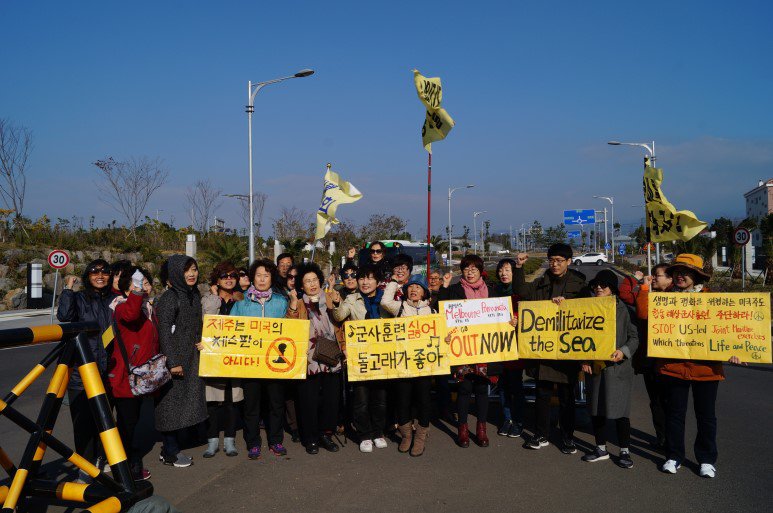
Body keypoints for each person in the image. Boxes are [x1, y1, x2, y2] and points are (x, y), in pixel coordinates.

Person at [645, 254, 744, 478]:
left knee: (706, 416)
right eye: (677, 271)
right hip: (673, 366)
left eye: (686, 272)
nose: (680, 276)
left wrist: (736, 352)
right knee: (674, 414)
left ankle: (706, 459)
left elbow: (729, 330)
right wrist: (645, 290)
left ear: (697, 276)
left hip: (706, 369)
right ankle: (674, 455)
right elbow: (646, 320)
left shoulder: (713, 300)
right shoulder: (663, 299)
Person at [513, 243, 589, 454]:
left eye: (559, 261)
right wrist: (519, 267)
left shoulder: (580, 284)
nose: (554, 264)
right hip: (544, 351)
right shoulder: (540, 283)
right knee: (542, 396)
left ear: (568, 262)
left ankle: (567, 437)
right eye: (552, 260)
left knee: (567, 398)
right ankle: (541, 434)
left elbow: (590, 310)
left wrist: (569, 303)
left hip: (567, 352)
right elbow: (520, 291)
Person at [57, 259, 117, 477]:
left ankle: (102, 458)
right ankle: (85, 467)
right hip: (82, 370)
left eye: (104, 272)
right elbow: (64, 316)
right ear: (87, 276)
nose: (100, 276)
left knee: (104, 419)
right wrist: (67, 289)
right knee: (82, 423)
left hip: (108, 369)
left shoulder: (115, 299)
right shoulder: (79, 297)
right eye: (94, 272)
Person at [439, 254, 503, 448]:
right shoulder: (455, 290)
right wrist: (444, 286)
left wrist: (509, 322)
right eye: (466, 269)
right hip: (463, 348)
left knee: (483, 388)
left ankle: (481, 428)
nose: (470, 272)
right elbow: (441, 308)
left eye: (474, 268)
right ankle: (463, 428)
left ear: (480, 270)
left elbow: (501, 314)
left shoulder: (492, 290)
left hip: (486, 348)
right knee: (465, 388)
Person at [580, 270, 639, 468]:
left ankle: (624, 451)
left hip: (618, 368)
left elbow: (634, 338)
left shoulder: (625, 310)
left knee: (620, 411)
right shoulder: (587, 308)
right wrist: (584, 359)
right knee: (596, 409)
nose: (598, 288)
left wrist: (624, 351)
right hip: (595, 368)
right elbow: (578, 336)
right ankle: (600, 448)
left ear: (612, 288)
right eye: (596, 284)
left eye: (603, 285)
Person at [231, 258, 289, 459]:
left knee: (276, 404)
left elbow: (290, 332)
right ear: (252, 277)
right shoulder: (241, 302)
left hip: (276, 364)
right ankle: (253, 442)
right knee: (251, 406)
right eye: (258, 275)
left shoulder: (282, 302)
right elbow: (229, 329)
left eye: (266, 275)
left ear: (272, 278)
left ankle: (275, 440)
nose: (262, 279)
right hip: (251, 363)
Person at [154, 255, 207, 468]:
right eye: (186, 270)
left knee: (184, 401)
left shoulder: (193, 294)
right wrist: (172, 362)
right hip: (176, 360)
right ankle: (170, 452)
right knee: (169, 405)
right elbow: (163, 332)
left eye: (194, 268)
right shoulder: (170, 297)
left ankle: (174, 446)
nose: (192, 273)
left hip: (191, 357)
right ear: (175, 273)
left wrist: (203, 340)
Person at [286, 263, 343, 454]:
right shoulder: (298, 303)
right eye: (307, 281)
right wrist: (293, 306)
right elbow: (290, 329)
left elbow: (341, 320)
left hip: (331, 355)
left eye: (314, 280)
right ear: (301, 285)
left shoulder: (330, 297)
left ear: (320, 280)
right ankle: (310, 438)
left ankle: (325, 434)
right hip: (308, 358)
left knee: (330, 399)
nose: (312, 284)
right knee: (308, 400)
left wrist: (336, 302)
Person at [330, 264, 387, 453]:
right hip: (360, 355)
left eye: (370, 278)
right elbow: (338, 316)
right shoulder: (352, 299)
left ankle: (378, 432)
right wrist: (338, 302)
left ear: (378, 282)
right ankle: (364, 434)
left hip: (383, 355)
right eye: (362, 278)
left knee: (380, 398)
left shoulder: (386, 300)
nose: (365, 282)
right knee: (361, 398)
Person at [108, 267, 157, 481]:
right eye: (137, 285)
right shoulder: (121, 307)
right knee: (127, 423)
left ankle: (125, 459)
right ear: (127, 290)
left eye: (146, 283)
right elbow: (130, 314)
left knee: (132, 420)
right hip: (126, 377)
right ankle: (125, 467)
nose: (143, 288)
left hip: (141, 375)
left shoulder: (147, 307)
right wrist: (137, 294)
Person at [380, 274, 435, 456]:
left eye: (418, 287)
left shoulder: (432, 312)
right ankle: (406, 436)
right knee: (403, 400)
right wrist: (394, 282)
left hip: (424, 365)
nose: (414, 290)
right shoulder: (400, 307)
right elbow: (385, 301)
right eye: (411, 287)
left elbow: (440, 334)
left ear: (424, 292)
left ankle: (420, 437)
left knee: (424, 401)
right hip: (403, 364)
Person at [200, 262, 244, 458]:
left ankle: (230, 440)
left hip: (236, 355)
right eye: (224, 275)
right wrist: (215, 297)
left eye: (232, 275)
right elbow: (205, 320)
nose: (228, 278)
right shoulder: (208, 299)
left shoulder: (242, 300)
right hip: (213, 355)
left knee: (231, 400)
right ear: (217, 280)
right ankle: (212, 441)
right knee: (212, 399)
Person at [633, 263, 673, 449]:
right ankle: (662, 437)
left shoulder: (677, 298)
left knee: (670, 402)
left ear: (670, 279)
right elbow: (642, 313)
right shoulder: (650, 294)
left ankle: (672, 438)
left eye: (658, 275)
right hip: (651, 359)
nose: (654, 278)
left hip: (671, 359)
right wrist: (643, 287)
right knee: (655, 401)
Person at [492, 258, 526, 439]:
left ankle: (519, 420)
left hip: (516, 345)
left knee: (515, 384)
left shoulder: (522, 293)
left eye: (507, 270)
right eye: (501, 270)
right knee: (503, 385)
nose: (503, 274)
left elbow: (532, 316)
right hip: (498, 345)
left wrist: (518, 321)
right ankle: (508, 419)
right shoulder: (494, 291)